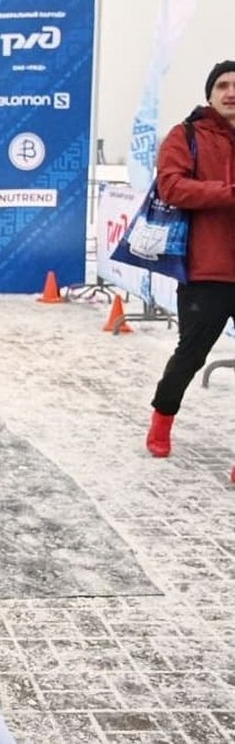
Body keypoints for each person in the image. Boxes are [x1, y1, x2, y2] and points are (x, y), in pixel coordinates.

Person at [146, 59, 235, 483]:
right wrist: (228, 193)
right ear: (210, 94)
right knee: (191, 355)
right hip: (206, 271)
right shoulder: (186, 135)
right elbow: (171, 186)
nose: (231, 92)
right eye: (223, 85)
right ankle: (161, 420)